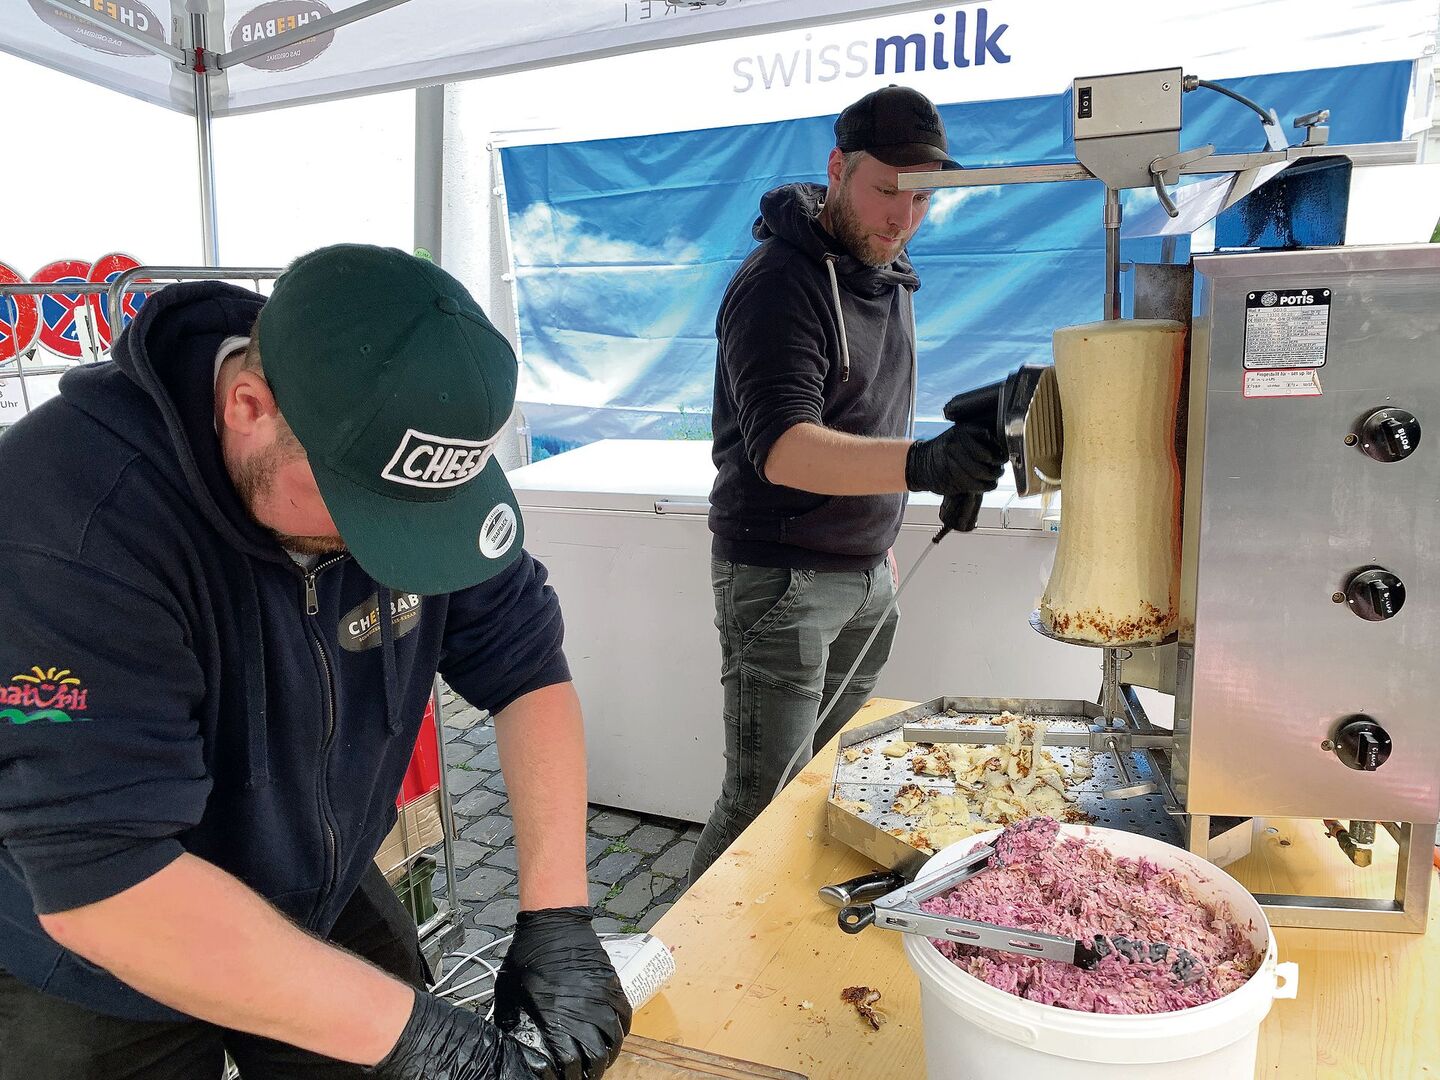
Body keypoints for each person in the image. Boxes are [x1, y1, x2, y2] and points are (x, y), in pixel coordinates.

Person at [0, 244, 630, 1080]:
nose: (388, 544)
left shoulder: (406, 458)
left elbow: (527, 668)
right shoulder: (65, 524)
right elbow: (102, 872)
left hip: (315, 885)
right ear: (248, 407)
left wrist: (559, 918)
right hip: (97, 953)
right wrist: (432, 1044)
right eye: (364, 508)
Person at [691, 86, 1007, 880]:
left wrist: (879, 535)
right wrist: (922, 464)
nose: (902, 218)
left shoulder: (885, 269)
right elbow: (784, 449)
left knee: (823, 777)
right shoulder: (779, 283)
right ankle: (671, 950)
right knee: (760, 798)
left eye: (922, 199)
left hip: (866, 573)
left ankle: (773, 925)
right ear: (837, 169)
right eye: (886, 190)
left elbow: (865, 412)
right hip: (782, 581)